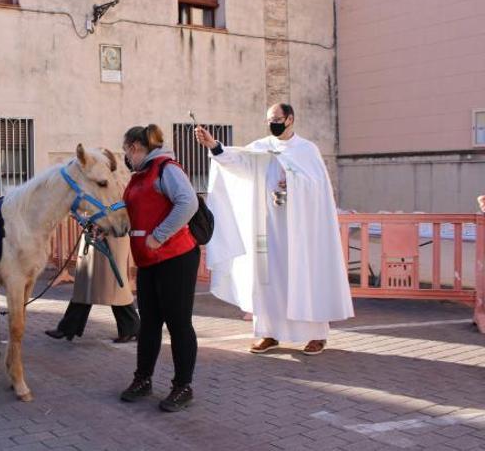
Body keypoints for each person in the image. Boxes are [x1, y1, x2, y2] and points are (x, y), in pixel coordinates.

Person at [195, 103, 354, 356]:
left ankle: (316, 335)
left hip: (301, 232)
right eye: (269, 120)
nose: (272, 124)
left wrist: (292, 181)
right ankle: (268, 333)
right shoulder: (261, 148)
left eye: (277, 119)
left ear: (290, 119)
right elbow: (237, 162)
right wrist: (214, 145)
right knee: (268, 279)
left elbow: (319, 189)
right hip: (268, 228)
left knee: (304, 278)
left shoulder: (307, 150)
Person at [119, 124, 200, 413]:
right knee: (149, 323)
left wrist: (159, 235)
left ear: (136, 148)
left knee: (178, 324)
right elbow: (133, 215)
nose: (125, 157)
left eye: (125, 151)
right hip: (149, 261)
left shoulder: (166, 169)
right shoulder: (139, 175)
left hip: (176, 258)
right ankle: (143, 380)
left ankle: (183, 387)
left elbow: (187, 203)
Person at [44, 231, 139, 343]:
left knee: (115, 290)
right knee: (84, 288)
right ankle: (67, 328)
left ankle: (131, 329)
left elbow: (123, 221)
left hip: (112, 240)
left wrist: (104, 228)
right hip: (93, 240)